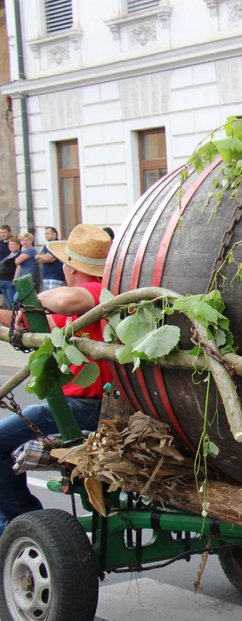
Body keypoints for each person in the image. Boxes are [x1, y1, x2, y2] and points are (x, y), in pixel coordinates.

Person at [0, 224, 113, 535]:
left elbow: (63, 301)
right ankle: (21, 525)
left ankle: (19, 525)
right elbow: (44, 323)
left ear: (70, 267)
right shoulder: (84, 304)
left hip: (89, 407)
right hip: (84, 405)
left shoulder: (98, 292)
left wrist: (26, 298)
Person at [36, 226, 66, 290]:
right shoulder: (47, 245)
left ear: (54, 234)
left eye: (47, 233)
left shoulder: (56, 244)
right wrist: (40, 257)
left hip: (55, 277)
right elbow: (39, 260)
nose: (45, 235)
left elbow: (47, 258)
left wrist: (39, 256)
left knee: (53, 298)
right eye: (45, 234)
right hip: (47, 277)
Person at [0, 236, 21, 308]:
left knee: (13, 302)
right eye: (9, 245)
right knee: (8, 303)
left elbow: (19, 267)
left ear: (18, 245)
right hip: (2, 281)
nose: (10, 246)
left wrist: (15, 279)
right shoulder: (9, 255)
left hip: (9, 281)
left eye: (13, 244)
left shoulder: (19, 254)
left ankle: (16, 317)